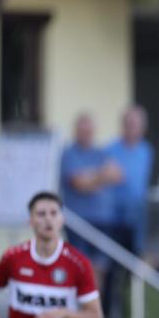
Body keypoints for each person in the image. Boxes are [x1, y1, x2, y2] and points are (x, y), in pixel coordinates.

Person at [60, 113, 122, 294]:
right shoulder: (69, 154)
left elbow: (117, 175)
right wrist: (101, 176)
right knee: (80, 266)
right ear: (76, 131)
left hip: (103, 219)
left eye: (89, 130)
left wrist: (92, 177)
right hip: (78, 221)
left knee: (100, 266)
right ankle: (80, 308)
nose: (86, 133)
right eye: (82, 130)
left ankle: (94, 309)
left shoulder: (101, 152)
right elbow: (79, 184)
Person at [104, 106, 154, 318]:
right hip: (114, 218)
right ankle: (109, 314)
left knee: (132, 268)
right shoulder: (110, 150)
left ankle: (126, 313)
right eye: (129, 123)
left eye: (136, 124)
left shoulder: (146, 151)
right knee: (112, 269)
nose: (132, 128)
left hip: (137, 218)